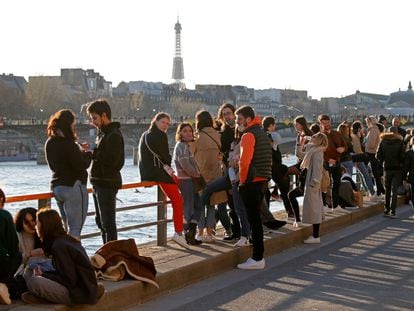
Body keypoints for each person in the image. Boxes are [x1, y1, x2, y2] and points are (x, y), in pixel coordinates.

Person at [22, 209, 104, 305]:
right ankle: (43, 294)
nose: (35, 226)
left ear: (45, 226)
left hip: (77, 294)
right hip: (83, 286)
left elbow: (69, 280)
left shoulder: (59, 246)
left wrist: (44, 275)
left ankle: (45, 298)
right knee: (31, 269)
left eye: (37, 223)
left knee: (34, 281)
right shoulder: (66, 240)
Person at [138, 112, 188, 248]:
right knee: (177, 200)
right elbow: (164, 157)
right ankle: (178, 232)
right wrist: (168, 166)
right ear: (156, 121)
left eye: (167, 123)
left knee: (180, 186)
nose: (165, 126)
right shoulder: (159, 135)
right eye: (163, 122)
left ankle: (181, 217)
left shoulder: (147, 134)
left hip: (152, 171)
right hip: (158, 172)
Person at [45, 109, 92, 239]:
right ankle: (73, 258)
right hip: (73, 187)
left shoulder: (50, 142)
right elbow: (81, 165)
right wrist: (88, 154)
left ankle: (66, 256)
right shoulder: (68, 144)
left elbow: (56, 164)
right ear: (69, 124)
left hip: (57, 187)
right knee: (75, 229)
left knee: (66, 227)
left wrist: (77, 149)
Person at [235, 106, 272, 270]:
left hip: (251, 181)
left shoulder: (248, 135)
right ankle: (258, 256)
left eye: (239, 119)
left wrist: (242, 182)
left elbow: (244, 161)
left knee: (253, 219)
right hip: (262, 178)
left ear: (248, 119)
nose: (237, 123)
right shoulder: (261, 132)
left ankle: (257, 257)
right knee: (256, 218)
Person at [87, 99, 125, 244]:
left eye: (94, 118)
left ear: (104, 115)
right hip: (99, 182)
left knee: (108, 222)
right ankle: (107, 251)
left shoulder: (113, 135)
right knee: (101, 222)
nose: (93, 122)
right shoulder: (103, 134)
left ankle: (112, 253)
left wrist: (93, 154)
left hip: (106, 183)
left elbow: (114, 161)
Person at [192, 110, 228, 243]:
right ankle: (209, 233)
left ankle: (200, 232)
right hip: (216, 175)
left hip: (200, 175)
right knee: (212, 205)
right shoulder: (217, 135)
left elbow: (191, 155)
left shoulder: (196, 137)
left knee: (200, 204)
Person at [173, 123, 203, 245]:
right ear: (180, 134)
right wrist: (196, 174)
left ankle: (190, 231)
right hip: (186, 180)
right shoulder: (181, 146)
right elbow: (185, 165)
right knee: (189, 208)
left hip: (190, 180)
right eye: (185, 131)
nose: (188, 133)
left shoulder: (186, 146)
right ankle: (186, 234)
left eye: (190, 131)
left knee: (198, 206)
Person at [214, 103, 240, 241]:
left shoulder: (238, 129)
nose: (226, 116)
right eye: (224, 114)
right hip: (226, 168)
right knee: (231, 200)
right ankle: (236, 231)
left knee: (235, 200)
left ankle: (238, 231)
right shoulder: (221, 131)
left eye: (229, 113)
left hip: (237, 168)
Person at [301, 132, 329, 244]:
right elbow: (300, 154)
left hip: (313, 183)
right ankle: (315, 235)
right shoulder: (314, 149)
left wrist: (314, 183)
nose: (312, 137)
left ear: (319, 140)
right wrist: (301, 143)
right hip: (312, 182)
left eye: (314, 136)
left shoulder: (317, 152)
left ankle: (316, 236)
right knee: (315, 207)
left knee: (314, 208)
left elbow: (317, 169)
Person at [319, 114, 347, 209]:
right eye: (324, 123)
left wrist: (343, 149)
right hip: (326, 163)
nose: (327, 125)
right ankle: (324, 205)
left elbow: (345, 145)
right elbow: (319, 150)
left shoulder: (337, 133)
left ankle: (335, 205)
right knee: (325, 184)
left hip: (337, 161)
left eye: (328, 123)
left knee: (337, 183)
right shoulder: (320, 136)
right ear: (320, 124)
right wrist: (327, 159)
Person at [376, 127, 405, 217]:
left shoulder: (383, 142)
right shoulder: (400, 142)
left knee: (387, 189)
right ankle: (393, 211)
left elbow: (378, 156)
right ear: (396, 133)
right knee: (394, 190)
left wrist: (383, 160)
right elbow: (402, 157)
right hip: (397, 169)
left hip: (387, 168)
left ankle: (386, 209)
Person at [0, 188, 22, 305]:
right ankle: (2, 285)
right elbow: (13, 244)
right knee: (18, 256)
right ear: (2, 199)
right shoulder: (4, 215)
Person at [351, 121, 375, 197]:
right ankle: (371, 191)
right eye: (361, 127)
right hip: (358, 158)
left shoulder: (358, 136)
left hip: (358, 157)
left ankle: (369, 190)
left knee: (365, 174)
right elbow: (357, 149)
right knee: (366, 174)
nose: (363, 129)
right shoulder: (354, 137)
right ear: (359, 129)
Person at [365, 116, 385, 197]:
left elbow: (371, 144)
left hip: (371, 153)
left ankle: (379, 191)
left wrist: (365, 143)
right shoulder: (377, 129)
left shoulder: (373, 130)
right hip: (374, 153)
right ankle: (381, 190)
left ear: (370, 122)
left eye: (367, 122)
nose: (366, 124)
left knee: (374, 173)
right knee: (376, 172)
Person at [403, 136, 414, 217]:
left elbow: (406, 167)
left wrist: (403, 178)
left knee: (413, 194)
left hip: (412, 177)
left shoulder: (409, 153)